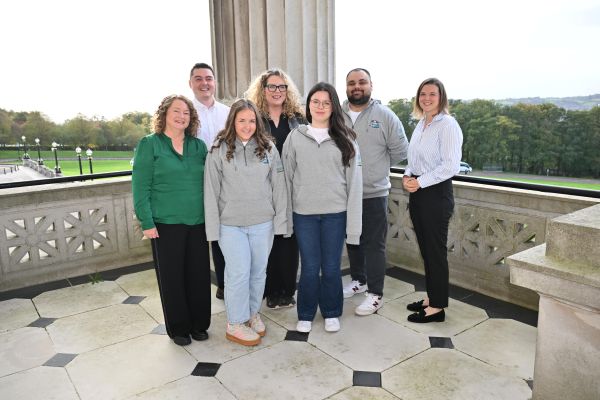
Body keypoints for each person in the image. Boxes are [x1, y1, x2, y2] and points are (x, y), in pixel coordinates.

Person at [204, 99, 287, 346]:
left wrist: (281, 222)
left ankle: (252, 314)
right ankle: (235, 323)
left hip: (263, 223)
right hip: (230, 225)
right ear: (233, 121)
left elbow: (279, 188)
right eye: (242, 120)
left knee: (258, 271)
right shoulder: (218, 149)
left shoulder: (269, 149)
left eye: (252, 120)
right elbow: (210, 191)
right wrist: (212, 230)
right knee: (238, 272)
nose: (247, 125)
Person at [282, 82, 362, 334]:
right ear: (308, 106)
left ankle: (331, 311)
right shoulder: (295, 137)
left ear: (333, 107)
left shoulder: (346, 139)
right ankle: (305, 313)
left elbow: (354, 184)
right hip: (303, 214)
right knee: (308, 266)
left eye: (326, 103)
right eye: (315, 101)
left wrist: (353, 226)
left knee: (330, 267)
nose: (320, 106)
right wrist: (285, 218)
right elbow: (285, 179)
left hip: (335, 214)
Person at [132, 94, 211, 346]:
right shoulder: (150, 144)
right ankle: (179, 328)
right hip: (165, 224)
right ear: (164, 115)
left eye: (186, 113)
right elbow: (140, 187)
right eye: (176, 111)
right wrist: (146, 222)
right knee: (172, 278)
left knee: (198, 276)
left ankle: (199, 324)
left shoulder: (198, 146)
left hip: (198, 221)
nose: (181, 116)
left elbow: (210, 184)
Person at [342, 68, 409, 315]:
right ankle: (359, 281)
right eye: (351, 83)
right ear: (346, 87)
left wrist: (375, 169)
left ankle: (375, 294)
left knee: (374, 245)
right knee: (353, 240)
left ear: (371, 85)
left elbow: (401, 151)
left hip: (374, 193)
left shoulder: (385, 115)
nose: (356, 87)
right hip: (345, 193)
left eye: (362, 82)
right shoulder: (337, 115)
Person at [403, 78, 463, 323]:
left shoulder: (447, 125)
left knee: (435, 252)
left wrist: (420, 182)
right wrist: (408, 175)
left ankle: (437, 307)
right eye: (423, 94)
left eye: (432, 94)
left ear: (441, 98)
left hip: (436, 194)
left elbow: (451, 166)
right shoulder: (421, 123)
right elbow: (414, 158)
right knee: (427, 251)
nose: (426, 98)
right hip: (419, 191)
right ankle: (432, 296)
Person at [245, 68, 306, 309]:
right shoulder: (254, 118)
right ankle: (270, 290)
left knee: (289, 241)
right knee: (267, 241)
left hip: (292, 187)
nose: (277, 91)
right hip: (265, 188)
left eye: (282, 87)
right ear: (263, 90)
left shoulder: (298, 119)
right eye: (272, 86)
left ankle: (287, 290)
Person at [189, 62, 230, 300]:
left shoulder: (227, 113)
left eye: (208, 78)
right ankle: (197, 288)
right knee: (197, 238)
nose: (204, 83)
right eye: (198, 78)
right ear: (191, 83)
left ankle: (225, 283)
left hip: (224, 183)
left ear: (215, 82)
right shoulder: (185, 112)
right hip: (195, 183)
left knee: (221, 235)